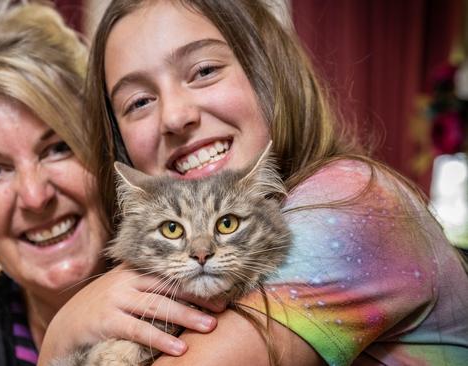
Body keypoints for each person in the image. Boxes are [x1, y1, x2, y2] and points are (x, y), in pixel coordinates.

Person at [39, 0, 468, 365]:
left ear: (268, 71)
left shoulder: (353, 202)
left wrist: (61, 337)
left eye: (204, 70)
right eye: (139, 101)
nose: (174, 116)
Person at [0, 2, 220, 365]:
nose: (35, 197)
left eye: (58, 148)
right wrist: (61, 340)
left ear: (109, 143)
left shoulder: (212, 276)